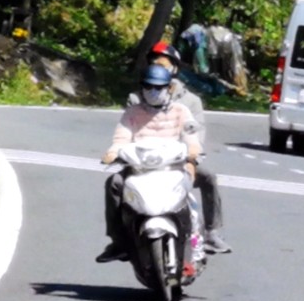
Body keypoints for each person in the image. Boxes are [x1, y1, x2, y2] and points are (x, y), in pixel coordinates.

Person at [96, 62, 203, 263]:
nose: (153, 92)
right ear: (141, 88)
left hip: (173, 168)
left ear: (169, 88)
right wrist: (112, 154)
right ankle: (119, 241)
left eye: (159, 88)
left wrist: (193, 152)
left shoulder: (181, 111)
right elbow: (121, 139)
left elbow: (192, 137)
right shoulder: (132, 113)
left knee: (191, 198)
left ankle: (197, 243)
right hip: (139, 170)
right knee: (114, 183)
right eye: (148, 87)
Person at [150, 41, 230, 254]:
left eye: (164, 67)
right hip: (145, 162)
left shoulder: (191, 101)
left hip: (178, 163)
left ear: (174, 70)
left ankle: (212, 232)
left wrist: (191, 159)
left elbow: (196, 134)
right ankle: (119, 239)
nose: (160, 71)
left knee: (209, 178)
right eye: (155, 66)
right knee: (117, 183)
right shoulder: (138, 98)